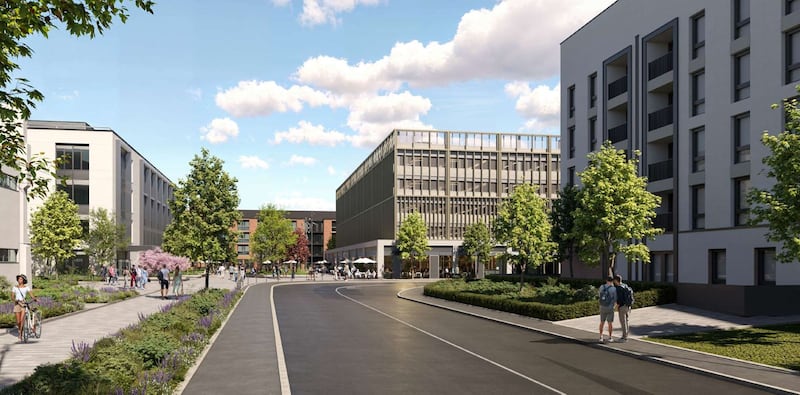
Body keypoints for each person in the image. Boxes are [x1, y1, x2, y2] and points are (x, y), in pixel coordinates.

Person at [12, 274, 38, 341]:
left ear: (23, 280)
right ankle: (19, 330)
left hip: (23, 304)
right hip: (17, 304)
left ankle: (20, 334)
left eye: (21, 279)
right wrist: (15, 300)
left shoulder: (27, 287)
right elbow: (12, 297)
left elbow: (31, 295)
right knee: (18, 321)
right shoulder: (14, 287)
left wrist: (35, 298)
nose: (19, 280)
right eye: (18, 279)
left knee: (22, 320)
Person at [614, 274, 633, 342]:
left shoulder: (618, 288)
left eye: (614, 280)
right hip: (628, 306)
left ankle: (624, 338)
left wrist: (616, 307)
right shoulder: (625, 285)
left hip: (622, 307)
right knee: (626, 321)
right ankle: (626, 336)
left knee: (623, 322)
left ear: (616, 280)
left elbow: (619, 300)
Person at [598, 275, 617, 343]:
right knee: (610, 323)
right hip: (610, 307)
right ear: (612, 281)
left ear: (606, 280)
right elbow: (615, 299)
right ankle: (610, 337)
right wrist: (614, 307)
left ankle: (600, 336)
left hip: (602, 307)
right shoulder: (613, 289)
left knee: (602, 322)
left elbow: (599, 296)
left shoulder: (601, 287)